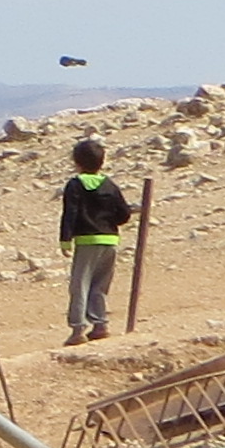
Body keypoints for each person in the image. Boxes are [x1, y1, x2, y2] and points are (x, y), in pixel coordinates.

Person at [58, 138, 133, 345]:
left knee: (80, 284)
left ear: (77, 162)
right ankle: (100, 324)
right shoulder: (109, 185)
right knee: (100, 284)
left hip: (86, 240)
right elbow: (124, 213)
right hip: (109, 240)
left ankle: (78, 329)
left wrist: (65, 240)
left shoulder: (75, 185)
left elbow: (69, 213)